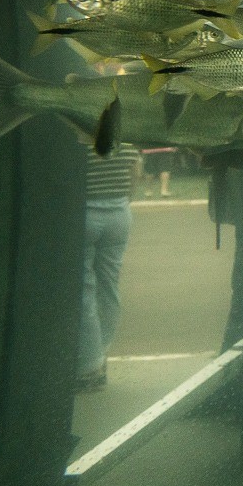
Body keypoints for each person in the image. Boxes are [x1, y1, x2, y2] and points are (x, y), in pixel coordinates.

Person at [77, 143, 142, 393]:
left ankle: (89, 367)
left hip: (87, 211)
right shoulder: (124, 139)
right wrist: (126, 199)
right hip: (119, 213)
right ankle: (100, 355)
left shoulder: (82, 140)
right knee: (109, 286)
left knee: (85, 288)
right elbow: (134, 171)